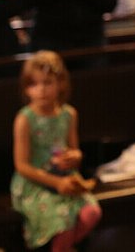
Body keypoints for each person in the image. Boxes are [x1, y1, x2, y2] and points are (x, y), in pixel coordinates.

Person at [11, 51, 102, 251]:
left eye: (47, 83)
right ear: (26, 88)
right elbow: (21, 165)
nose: (41, 90)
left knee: (91, 213)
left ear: (60, 83)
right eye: (34, 84)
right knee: (64, 221)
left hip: (66, 178)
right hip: (35, 183)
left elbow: (74, 151)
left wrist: (75, 156)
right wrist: (56, 182)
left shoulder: (68, 114)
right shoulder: (25, 119)